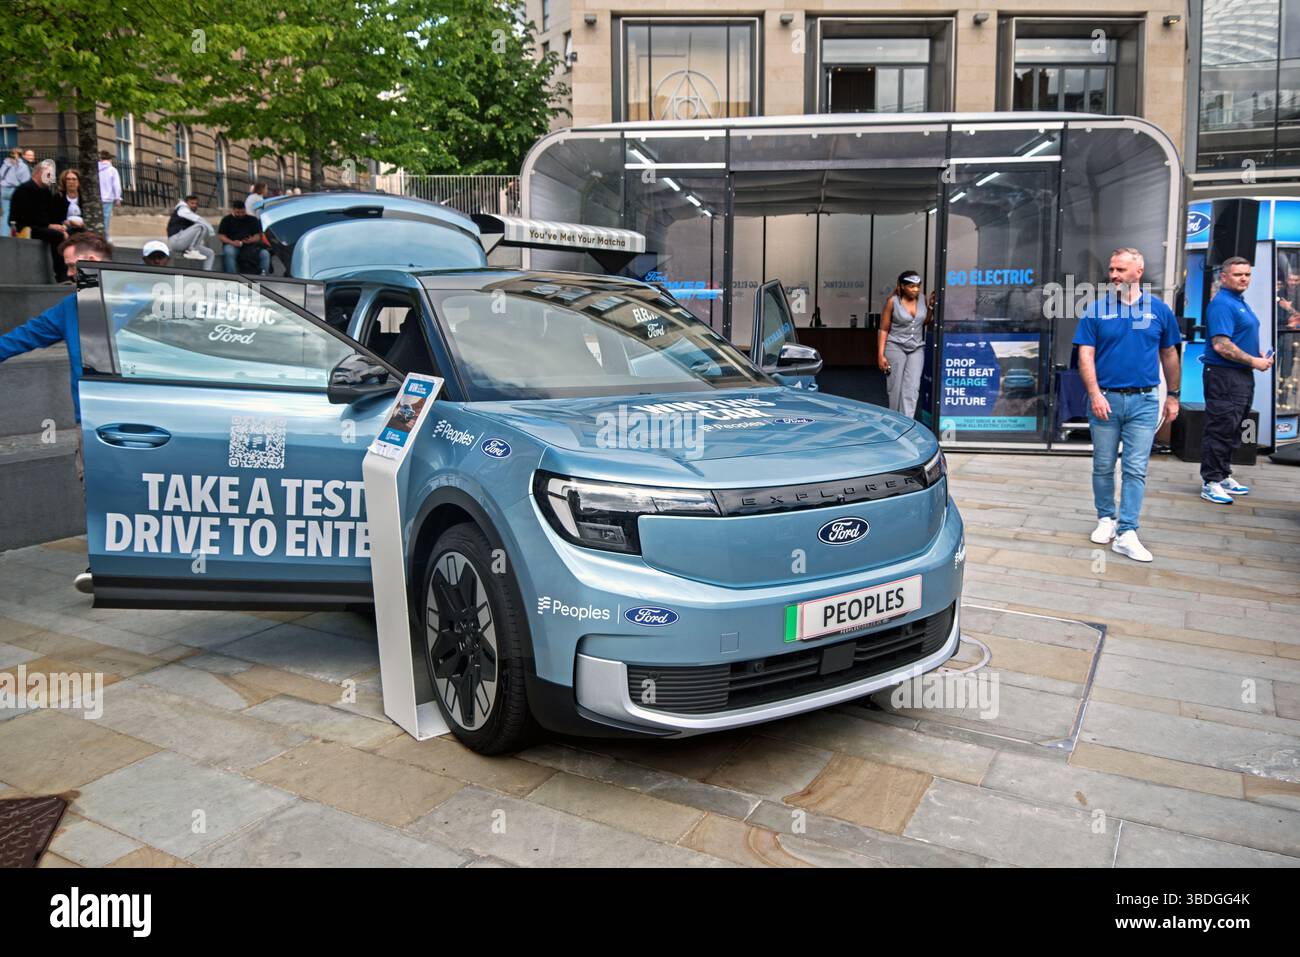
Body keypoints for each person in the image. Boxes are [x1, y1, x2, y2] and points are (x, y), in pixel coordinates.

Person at [1073, 247, 1182, 563]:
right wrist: (1094, 394)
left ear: (1139, 271)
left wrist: (1173, 395)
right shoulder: (1095, 310)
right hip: (1105, 399)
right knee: (1103, 464)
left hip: (1145, 401)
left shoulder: (1159, 310)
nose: (1114, 275)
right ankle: (1106, 518)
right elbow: (1085, 355)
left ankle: (1128, 531)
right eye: (1111, 270)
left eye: (1120, 269)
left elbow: (1170, 355)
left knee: (1136, 468)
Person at [1199, 257, 1274, 504]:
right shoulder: (1222, 304)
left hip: (1240, 374)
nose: (1243, 278)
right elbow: (1221, 345)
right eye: (1237, 274)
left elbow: (1239, 338)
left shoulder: (1238, 301)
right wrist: (1254, 362)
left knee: (1233, 427)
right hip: (1224, 375)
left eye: (1247, 274)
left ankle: (1222, 476)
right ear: (1223, 277)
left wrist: (1257, 356)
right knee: (1221, 428)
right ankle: (1210, 482)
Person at [878, 270, 935, 417]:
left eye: (918, 286)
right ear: (902, 286)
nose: (915, 289)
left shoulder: (922, 299)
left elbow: (925, 322)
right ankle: (894, 421)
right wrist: (881, 355)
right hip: (895, 346)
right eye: (911, 286)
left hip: (916, 348)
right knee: (895, 388)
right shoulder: (892, 302)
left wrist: (931, 308)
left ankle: (907, 422)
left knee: (912, 387)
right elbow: (884, 329)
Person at [10, 159, 71, 280]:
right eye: (48, 175)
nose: (51, 178)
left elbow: (51, 214)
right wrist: (49, 226)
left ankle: (71, 270)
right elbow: (26, 217)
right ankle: (61, 275)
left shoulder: (45, 191)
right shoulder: (24, 190)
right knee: (58, 236)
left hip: (40, 225)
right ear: (38, 173)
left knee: (67, 233)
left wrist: (59, 223)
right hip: (26, 227)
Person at [217, 201, 271, 274]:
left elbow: (258, 236)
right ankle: (232, 276)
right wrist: (232, 242)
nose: (240, 214)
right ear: (233, 210)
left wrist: (251, 240)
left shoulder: (252, 220)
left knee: (265, 254)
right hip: (233, 244)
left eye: (242, 212)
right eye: (238, 212)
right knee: (229, 252)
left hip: (250, 246)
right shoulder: (226, 220)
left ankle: (263, 277)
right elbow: (221, 236)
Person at [165, 194, 214, 269]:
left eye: (196, 204)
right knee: (201, 226)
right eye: (192, 203)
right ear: (186, 203)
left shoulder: (189, 214)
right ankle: (192, 250)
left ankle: (207, 276)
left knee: (210, 253)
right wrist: (210, 229)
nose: (194, 205)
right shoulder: (182, 209)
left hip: (184, 242)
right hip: (176, 241)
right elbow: (198, 220)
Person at [1, 147, 31, 237]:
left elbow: (1, 175)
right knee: (19, 213)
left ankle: (4, 233)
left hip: (4, 189)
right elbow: (26, 181)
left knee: (6, 212)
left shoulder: (6, 163)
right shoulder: (23, 166)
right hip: (16, 190)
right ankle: (14, 233)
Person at [98, 151, 122, 238]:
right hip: (108, 198)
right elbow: (116, 185)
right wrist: (117, 198)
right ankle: (105, 237)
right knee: (105, 220)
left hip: (97, 198)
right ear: (110, 159)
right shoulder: (112, 170)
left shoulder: (96, 169)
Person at [58, 168, 87, 235]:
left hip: (83, 227)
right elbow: (56, 218)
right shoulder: (59, 197)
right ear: (64, 182)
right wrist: (68, 222)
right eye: (68, 179)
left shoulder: (84, 197)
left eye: (74, 179)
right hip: (65, 228)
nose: (71, 182)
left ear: (79, 182)